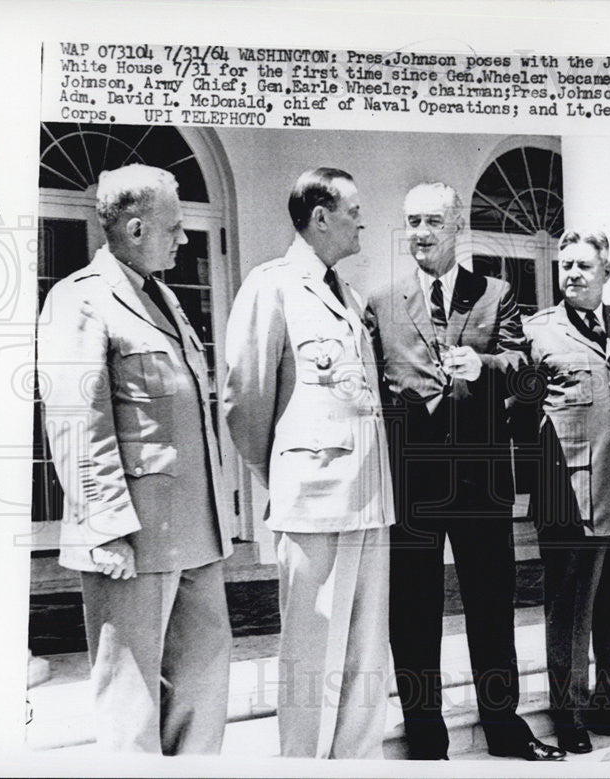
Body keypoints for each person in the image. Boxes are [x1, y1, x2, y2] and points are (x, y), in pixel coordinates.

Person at [364, 182, 564, 762]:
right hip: (413, 482)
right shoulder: (381, 302)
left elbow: (526, 370)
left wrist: (487, 364)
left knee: (491, 605)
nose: (421, 232)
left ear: (457, 229)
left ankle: (503, 725)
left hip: (480, 479)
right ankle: (426, 733)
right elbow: (375, 392)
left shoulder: (494, 293)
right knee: (414, 611)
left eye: (432, 221)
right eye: (412, 221)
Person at [37, 164, 233, 753]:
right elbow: (77, 422)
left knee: (203, 686)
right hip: (133, 537)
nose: (184, 239)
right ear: (137, 227)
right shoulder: (82, 300)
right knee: (131, 698)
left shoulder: (164, 298)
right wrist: (107, 528)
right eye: (175, 228)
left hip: (197, 532)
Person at [223, 168, 394, 758]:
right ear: (320, 217)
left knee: (366, 650)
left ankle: (356, 761)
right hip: (315, 498)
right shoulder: (271, 285)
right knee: (312, 649)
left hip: (371, 497)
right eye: (353, 211)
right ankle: (303, 766)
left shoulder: (347, 294)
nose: (361, 222)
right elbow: (244, 399)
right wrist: (286, 473)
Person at [520, 230, 610, 754]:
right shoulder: (537, 332)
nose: (573, 274)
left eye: (584, 265)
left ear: (607, 270)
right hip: (568, 494)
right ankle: (569, 712)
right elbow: (520, 412)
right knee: (569, 613)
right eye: (566, 266)